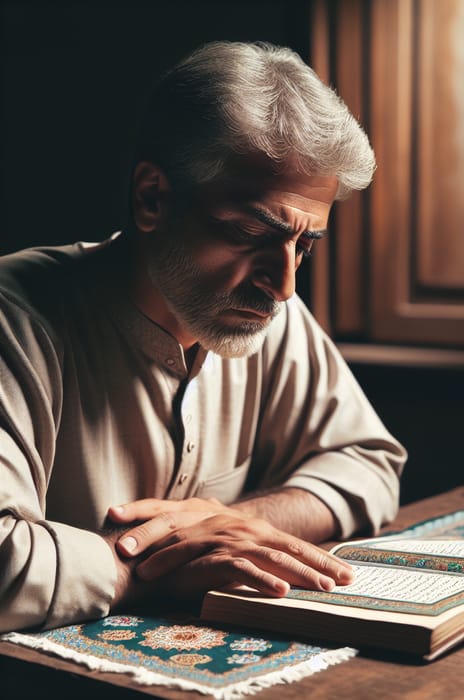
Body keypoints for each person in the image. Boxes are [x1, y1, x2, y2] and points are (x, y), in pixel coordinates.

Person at [0, 41, 406, 632]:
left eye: (306, 246)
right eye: (248, 232)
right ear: (152, 199)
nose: (285, 285)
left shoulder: (268, 316)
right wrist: (150, 564)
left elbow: (368, 462)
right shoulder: (16, 321)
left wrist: (236, 525)